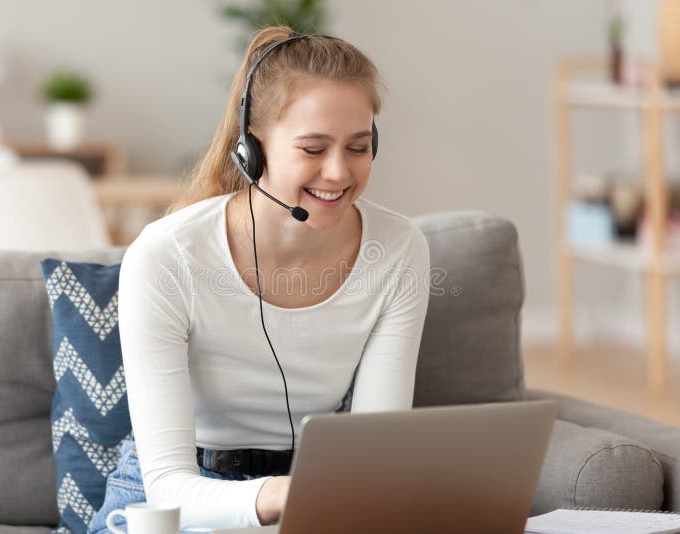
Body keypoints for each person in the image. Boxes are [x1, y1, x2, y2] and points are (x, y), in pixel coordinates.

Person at [88, 25, 430, 534]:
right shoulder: (166, 257)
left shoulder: (399, 249)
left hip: (319, 491)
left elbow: (374, 449)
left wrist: (336, 491)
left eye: (358, 147)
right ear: (253, 148)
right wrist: (285, 495)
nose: (338, 172)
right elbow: (167, 486)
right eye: (313, 149)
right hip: (181, 503)